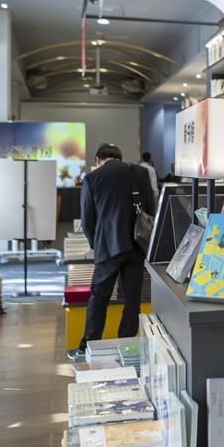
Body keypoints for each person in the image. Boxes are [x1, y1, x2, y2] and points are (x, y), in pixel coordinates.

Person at [68, 143, 155, 361]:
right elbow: (151, 209)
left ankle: (88, 346)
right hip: (137, 245)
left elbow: (87, 219)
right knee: (132, 298)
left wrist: (95, 244)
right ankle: (126, 346)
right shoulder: (141, 172)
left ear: (98, 159)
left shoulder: (93, 178)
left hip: (108, 246)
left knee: (99, 297)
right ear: (119, 157)